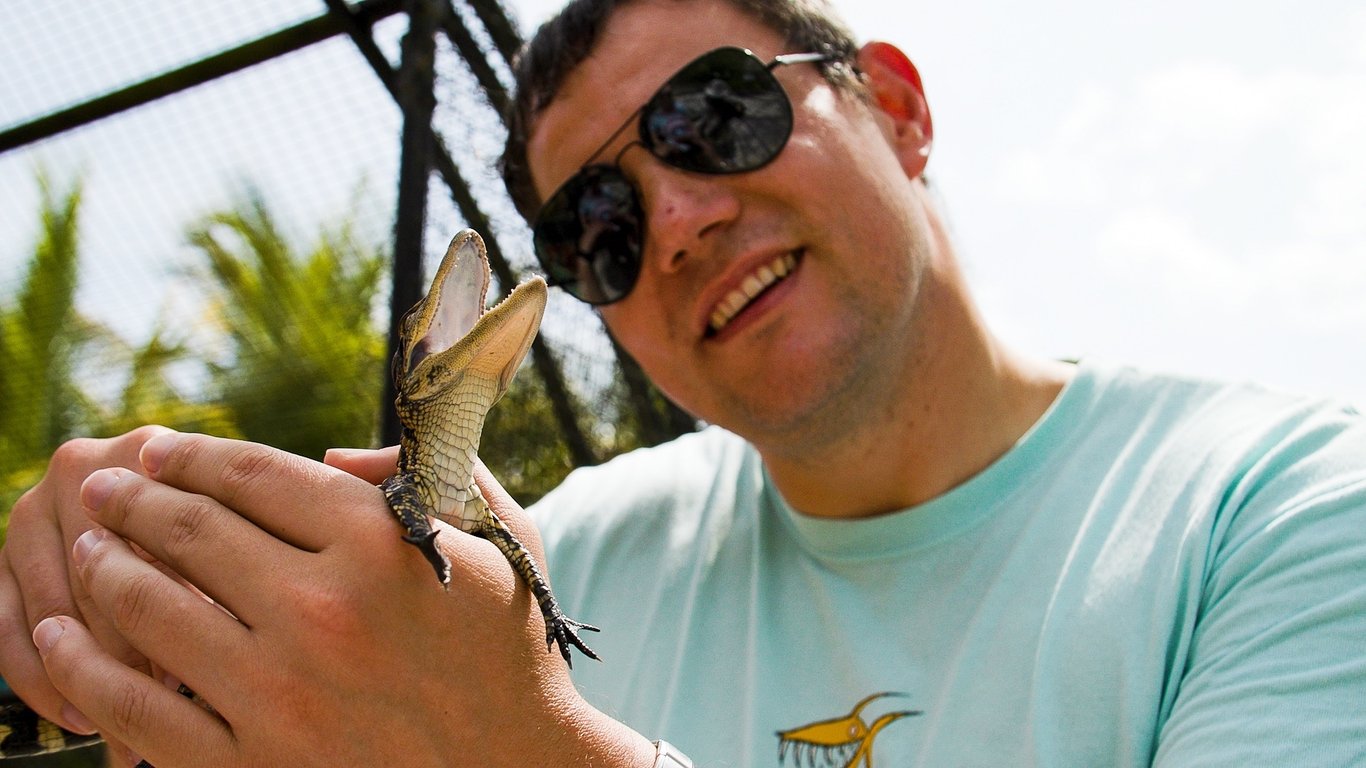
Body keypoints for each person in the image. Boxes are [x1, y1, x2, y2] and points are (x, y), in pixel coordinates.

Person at [2, 0, 1364, 765]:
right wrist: (120, 592)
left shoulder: (1296, 515)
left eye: (714, 117)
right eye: (594, 226)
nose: (676, 224)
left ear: (896, 109)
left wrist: (525, 750)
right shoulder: (560, 550)